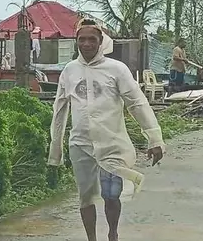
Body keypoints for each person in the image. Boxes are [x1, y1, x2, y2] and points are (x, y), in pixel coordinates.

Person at [48, 18, 164, 241]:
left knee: (112, 195)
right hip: (81, 144)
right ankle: (92, 238)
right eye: (82, 39)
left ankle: (112, 234)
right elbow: (59, 111)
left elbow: (137, 103)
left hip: (112, 144)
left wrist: (154, 138)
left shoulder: (116, 69)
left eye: (92, 39)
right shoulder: (69, 71)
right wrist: (56, 152)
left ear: (101, 41)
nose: (87, 44)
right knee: (86, 197)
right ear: (76, 42)